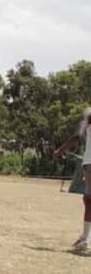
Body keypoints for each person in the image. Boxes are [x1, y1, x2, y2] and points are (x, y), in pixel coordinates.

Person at [54, 107, 91, 251]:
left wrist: (61, 150)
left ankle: (85, 239)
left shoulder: (89, 113)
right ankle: (84, 238)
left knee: (89, 201)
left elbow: (78, 136)